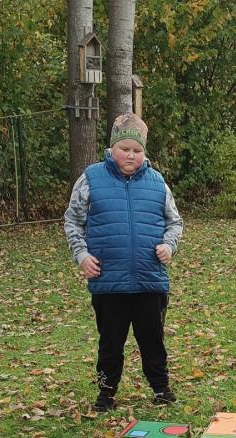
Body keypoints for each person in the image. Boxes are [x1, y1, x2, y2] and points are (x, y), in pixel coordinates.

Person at [63, 113, 184, 412]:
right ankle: (106, 393)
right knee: (110, 343)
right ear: (112, 148)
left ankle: (161, 388)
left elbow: (175, 222)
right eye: (124, 149)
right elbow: (73, 220)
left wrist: (169, 246)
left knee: (152, 340)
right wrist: (82, 255)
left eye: (137, 150)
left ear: (144, 152)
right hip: (109, 282)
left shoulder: (157, 183)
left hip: (149, 280)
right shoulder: (91, 179)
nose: (131, 155)